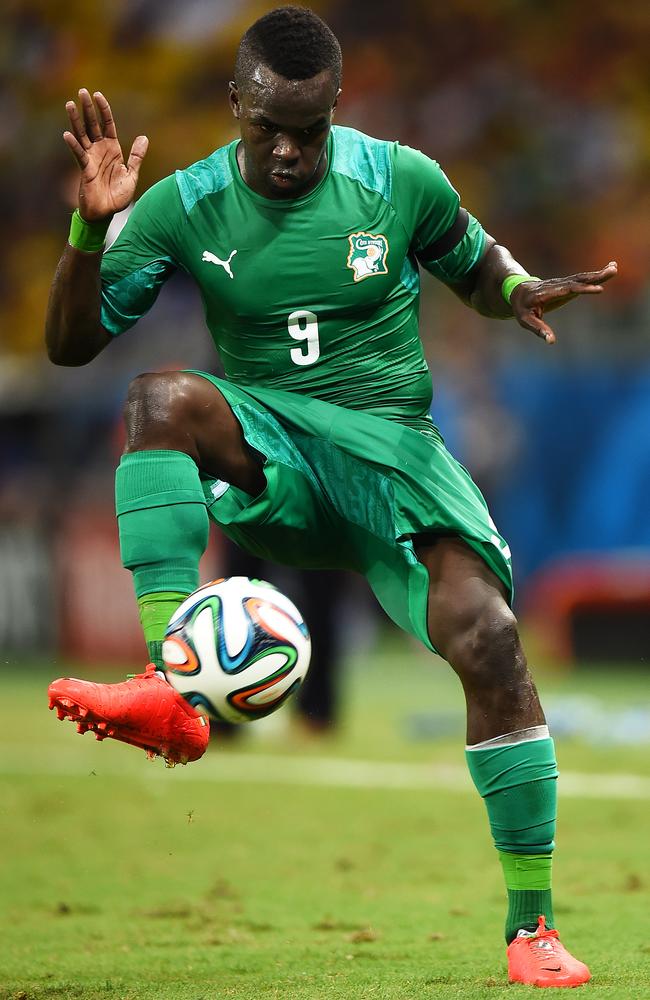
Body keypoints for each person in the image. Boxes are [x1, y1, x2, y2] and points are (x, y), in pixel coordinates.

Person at [45, 6, 617, 987]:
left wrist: (518, 290)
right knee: (157, 399)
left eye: (307, 132)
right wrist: (89, 232)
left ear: (335, 112)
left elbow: (474, 266)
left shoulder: (399, 177)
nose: (285, 151)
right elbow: (70, 343)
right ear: (234, 104)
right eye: (267, 127)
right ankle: (167, 682)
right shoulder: (182, 205)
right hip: (270, 443)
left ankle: (531, 927)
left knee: (487, 637)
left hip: (391, 452)